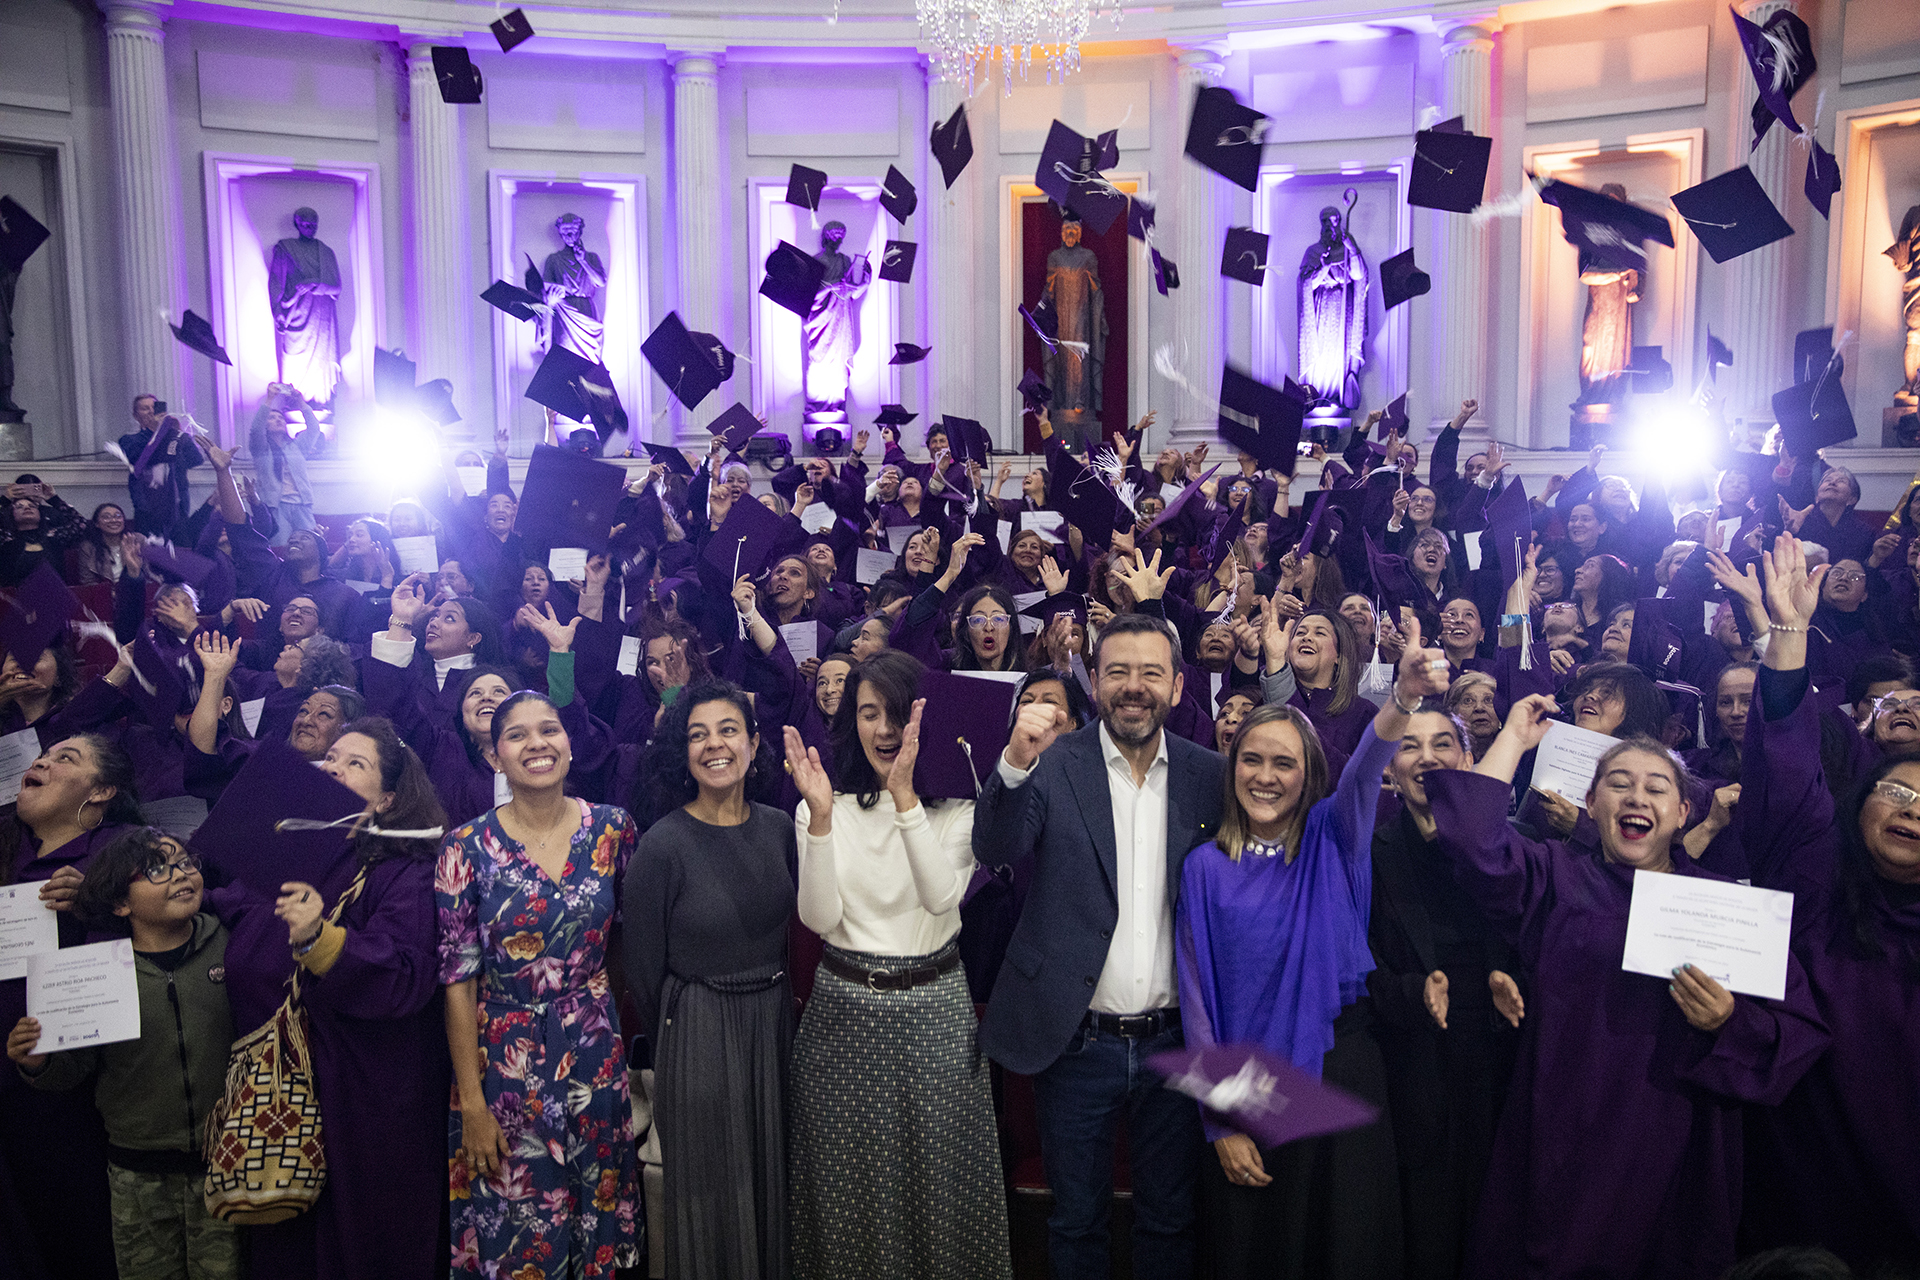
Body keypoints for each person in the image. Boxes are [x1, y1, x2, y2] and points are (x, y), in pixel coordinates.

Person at [1421, 690, 1829, 1278]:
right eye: (1618, 783)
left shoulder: (1728, 908)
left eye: (1657, 787)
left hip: (1680, 1146)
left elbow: (1797, 1035)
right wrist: (1513, 736)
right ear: (1590, 803)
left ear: (1683, 811)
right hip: (1564, 1133)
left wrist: (1729, 1022)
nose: (1637, 796)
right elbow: (1470, 836)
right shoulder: (1557, 876)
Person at [1176, 624, 1453, 1279]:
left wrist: (1404, 699)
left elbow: (1364, 772)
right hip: (1246, 1092)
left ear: (1308, 778)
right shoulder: (1203, 868)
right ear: (1231, 766)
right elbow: (1197, 1003)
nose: (1265, 777)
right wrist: (1221, 1125)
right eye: (1252, 759)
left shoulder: (1337, 838)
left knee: (1343, 1252)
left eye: (1284, 764)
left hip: (1341, 1071)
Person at [973, 612, 1225, 1280]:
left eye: (1150, 672)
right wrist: (1015, 762)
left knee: (1169, 1223)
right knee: (1076, 1223)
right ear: (1094, 680)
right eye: (1117, 672)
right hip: (1075, 1040)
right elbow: (997, 848)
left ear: (1176, 684)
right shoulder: (1054, 763)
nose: (1133, 687)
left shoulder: (1210, 774)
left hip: (1176, 1041)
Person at [783, 651, 1010, 1279]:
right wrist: (824, 821)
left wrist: (906, 798)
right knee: (845, 1191)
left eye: (897, 715)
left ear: (924, 720)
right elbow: (820, 918)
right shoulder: (822, 804)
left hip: (932, 1012)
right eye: (868, 713)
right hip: (841, 1016)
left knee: (939, 1188)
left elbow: (942, 897)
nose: (884, 731)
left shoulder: (961, 807)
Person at [1730, 536, 1920, 1274]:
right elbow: (1784, 765)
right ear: (1861, 803)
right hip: (1808, 1202)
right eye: (1897, 792)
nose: (1911, 811)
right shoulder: (1815, 884)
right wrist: (1787, 635)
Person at [210, 718, 450, 1280]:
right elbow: (224, 906)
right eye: (331, 759)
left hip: (362, 1105)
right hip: (274, 1102)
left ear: (386, 801)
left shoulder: (403, 872)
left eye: (354, 763)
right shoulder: (281, 861)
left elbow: (407, 975)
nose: (333, 769)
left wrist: (321, 939)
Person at [439, 691, 640, 1277]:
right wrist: (472, 1102)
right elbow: (457, 980)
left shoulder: (612, 829)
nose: (537, 744)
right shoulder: (465, 846)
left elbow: (625, 936)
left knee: (599, 1214)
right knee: (515, 1225)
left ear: (569, 745)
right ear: (494, 757)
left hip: (594, 1053)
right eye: (517, 735)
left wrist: (606, 1011)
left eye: (548, 730)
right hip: (502, 1060)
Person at [8, 828, 237, 1280]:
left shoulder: (232, 943)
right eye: (156, 868)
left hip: (225, 1163)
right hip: (137, 1172)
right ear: (120, 904)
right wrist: (37, 1061)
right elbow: (73, 1070)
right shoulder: (96, 971)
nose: (180, 874)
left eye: (186, 862)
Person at [625, 680, 795, 1279]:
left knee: (773, 1183)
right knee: (709, 1199)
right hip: (697, 1029)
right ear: (683, 751)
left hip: (774, 1025)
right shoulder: (662, 845)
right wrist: (688, 1024)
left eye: (728, 730)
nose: (714, 745)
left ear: (753, 743)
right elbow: (643, 974)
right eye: (697, 734)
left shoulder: (780, 827)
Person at [1367, 709, 1523, 1280]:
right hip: (1410, 1064)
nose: (1427, 757)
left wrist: (1514, 985)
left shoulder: (1512, 848)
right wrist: (1414, 992)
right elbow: (1354, 972)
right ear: (1391, 767)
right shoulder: (1369, 854)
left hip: (1497, 1061)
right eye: (1409, 746)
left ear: (1467, 759)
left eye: (1442, 744)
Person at [0, 735, 145, 1280]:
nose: (40, 761)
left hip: (88, 1095)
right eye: (45, 754)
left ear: (103, 790)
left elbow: (188, 921)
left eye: (67, 758)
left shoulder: (129, 849)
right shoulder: (5, 851)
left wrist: (101, 901)